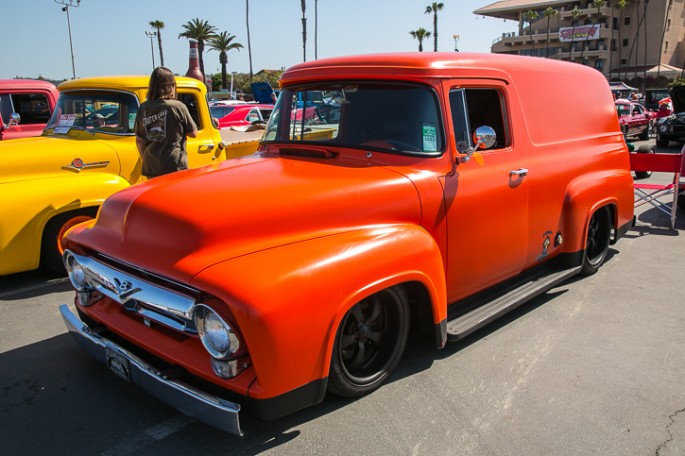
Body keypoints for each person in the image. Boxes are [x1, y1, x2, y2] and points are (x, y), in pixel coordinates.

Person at [134, 67, 197, 179]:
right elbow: (193, 133)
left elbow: (139, 140)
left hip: (152, 166)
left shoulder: (143, 108)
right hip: (174, 165)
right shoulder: (177, 106)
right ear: (170, 86)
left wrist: (146, 158)